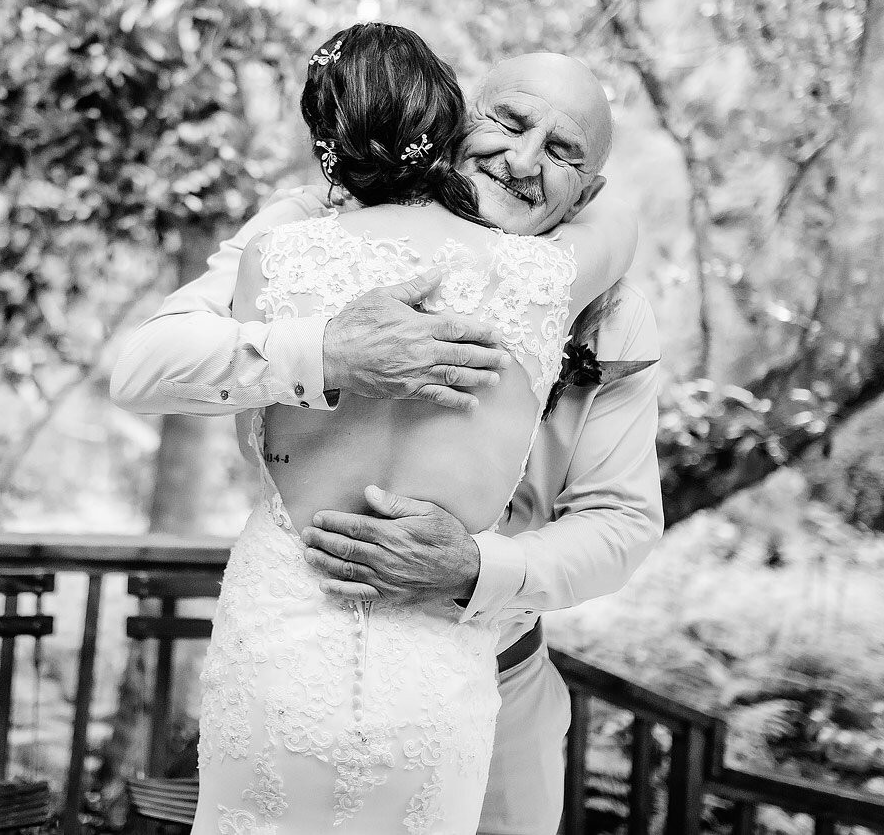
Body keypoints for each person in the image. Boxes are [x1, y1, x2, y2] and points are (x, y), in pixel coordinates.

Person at [111, 42, 664, 834]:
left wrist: (477, 568)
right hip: (298, 655)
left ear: (589, 190)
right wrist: (327, 352)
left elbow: (624, 522)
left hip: (499, 672)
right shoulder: (310, 225)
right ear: (454, 118)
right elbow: (146, 367)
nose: (521, 159)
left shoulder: (612, 309)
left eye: (562, 151)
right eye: (506, 122)